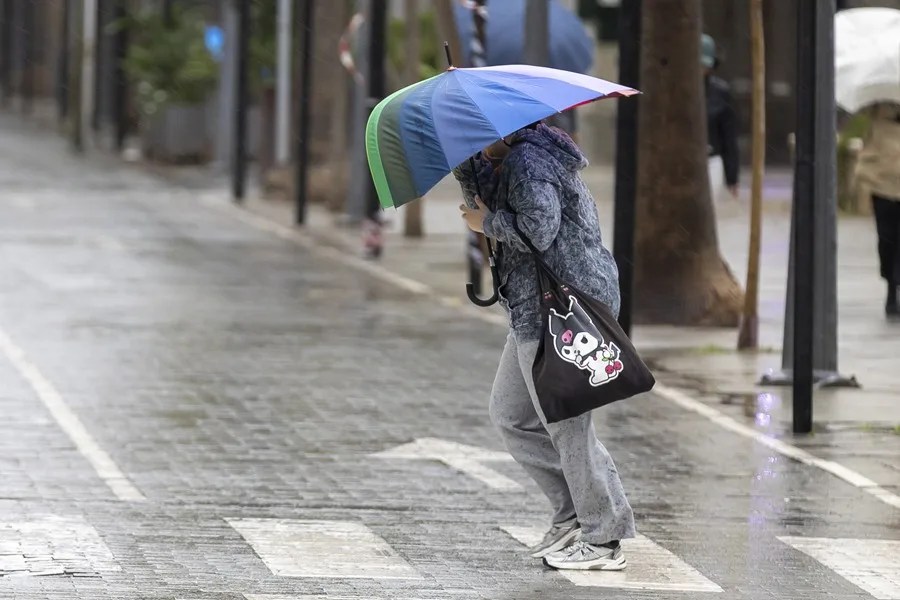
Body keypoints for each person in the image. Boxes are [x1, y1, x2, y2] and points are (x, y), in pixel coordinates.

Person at [454, 122, 635, 571]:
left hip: (561, 307)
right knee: (512, 415)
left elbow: (539, 229)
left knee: (567, 424)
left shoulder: (530, 161)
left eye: (475, 135)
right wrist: (466, 169)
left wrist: (486, 222)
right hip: (533, 307)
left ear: (503, 128)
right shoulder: (511, 158)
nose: (472, 144)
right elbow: (494, 196)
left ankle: (603, 537)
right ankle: (576, 514)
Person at [856, 102, 900, 318]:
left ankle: (896, 287)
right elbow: (867, 156)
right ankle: (891, 287)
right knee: (887, 239)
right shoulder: (879, 120)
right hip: (883, 190)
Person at [702, 34, 740, 204]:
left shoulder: (720, 93)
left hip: (711, 159)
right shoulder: (673, 92)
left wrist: (732, 176)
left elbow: (729, 137)